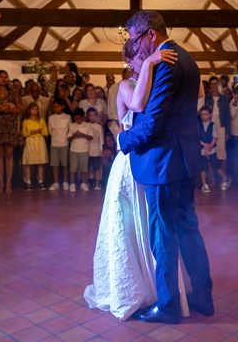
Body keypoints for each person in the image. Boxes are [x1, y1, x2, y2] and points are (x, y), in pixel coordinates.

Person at [117, 10, 214, 324]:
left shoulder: (167, 64)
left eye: (135, 39)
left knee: (163, 235)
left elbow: (153, 122)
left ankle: (169, 305)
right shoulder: (188, 58)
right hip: (184, 160)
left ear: (150, 34)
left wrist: (123, 140)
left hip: (163, 163)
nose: (135, 47)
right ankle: (203, 297)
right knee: (188, 229)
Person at [84, 37, 181, 320]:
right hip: (129, 161)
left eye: (147, 54)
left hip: (149, 160)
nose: (147, 57)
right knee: (128, 223)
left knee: (151, 221)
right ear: (130, 62)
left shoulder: (152, 79)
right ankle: (133, 285)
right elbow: (139, 106)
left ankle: (155, 285)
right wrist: (152, 63)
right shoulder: (127, 86)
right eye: (141, 56)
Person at [21, 102, 49, 190]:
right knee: (28, 163)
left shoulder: (41, 121)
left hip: (40, 141)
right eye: (33, 109)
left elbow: (46, 132)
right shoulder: (26, 121)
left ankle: (40, 181)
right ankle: (28, 181)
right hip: (30, 142)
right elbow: (24, 133)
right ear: (29, 110)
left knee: (40, 162)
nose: (34, 111)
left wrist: (40, 131)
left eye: (36, 109)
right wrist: (31, 132)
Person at [67, 107, 92, 192]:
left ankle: (83, 183)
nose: (78, 120)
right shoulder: (72, 125)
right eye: (76, 118)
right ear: (74, 118)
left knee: (84, 169)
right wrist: (74, 135)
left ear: (83, 117)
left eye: (80, 118)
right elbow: (69, 138)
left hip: (84, 149)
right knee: (73, 168)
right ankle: (72, 184)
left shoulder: (88, 125)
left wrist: (82, 135)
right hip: (73, 150)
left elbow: (91, 137)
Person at [48, 98, 71, 191]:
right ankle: (56, 182)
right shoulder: (51, 118)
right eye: (54, 106)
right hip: (54, 142)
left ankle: (65, 182)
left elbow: (70, 129)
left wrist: (66, 139)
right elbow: (50, 130)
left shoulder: (67, 117)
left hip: (64, 142)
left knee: (65, 163)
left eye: (58, 106)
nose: (56, 108)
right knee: (55, 164)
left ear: (63, 107)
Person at [197, 106, 218, 193]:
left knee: (216, 165)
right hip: (202, 149)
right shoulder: (198, 125)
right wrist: (204, 144)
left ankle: (226, 179)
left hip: (212, 149)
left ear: (209, 115)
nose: (203, 116)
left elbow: (215, 137)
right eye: (201, 114)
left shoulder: (213, 125)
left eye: (205, 114)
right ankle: (205, 184)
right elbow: (197, 138)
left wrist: (210, 146)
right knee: (203, 167)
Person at [86, 107, 104, 190]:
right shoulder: (85, 125)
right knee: (88, 167)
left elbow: (101, 139)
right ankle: (88, 182)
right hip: (86, 150)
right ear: (87, 116)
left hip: (96, 150)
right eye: (90, 115)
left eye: (94, 115)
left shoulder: (98, 126)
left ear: (96, 116)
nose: (92, 117)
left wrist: (101, 150)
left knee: (97, 167)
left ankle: (98, 182)